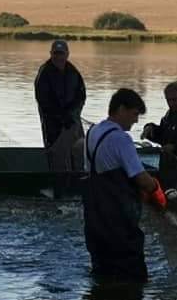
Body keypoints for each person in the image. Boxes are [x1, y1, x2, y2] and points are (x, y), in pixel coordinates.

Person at [82, 87, 164, 282]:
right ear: (120, 109)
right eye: (134, 114)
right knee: (132, 277)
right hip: (118, 222)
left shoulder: (93, 131)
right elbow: (141, 178)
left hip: (94, 218)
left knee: (102, 274)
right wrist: (156, 190)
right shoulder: (121, 139)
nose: (136, 120)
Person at [33, 39, 87, 191]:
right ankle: (60, 188)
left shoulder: (73, 72)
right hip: (53, 126)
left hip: (73, 122)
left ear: (67, 54)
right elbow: (43, 101)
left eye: (61, 53)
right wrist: (61, 117)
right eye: (55, 53)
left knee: (78, 152)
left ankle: (78, 185)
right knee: (57, 157)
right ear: (51, 54)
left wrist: (72, 114)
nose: (58, 57)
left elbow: (81, 96)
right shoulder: (44, 73)